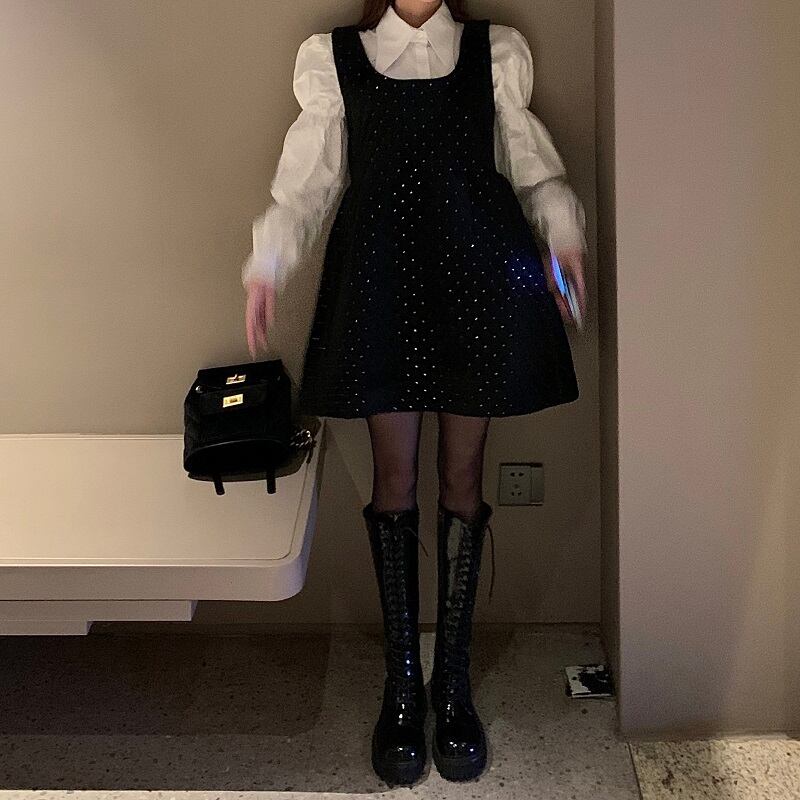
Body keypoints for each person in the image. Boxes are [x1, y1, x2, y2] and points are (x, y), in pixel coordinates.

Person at [242, 0, 588, 786]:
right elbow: (307, 183)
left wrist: (562, 235)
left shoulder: (494, 52)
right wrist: (269, 265)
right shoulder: (334, 59)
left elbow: (532, 166)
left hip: (479, 280)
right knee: (392, 481)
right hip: (380, 285)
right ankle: (403, 688)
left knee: (462, 480)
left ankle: (452, 683)